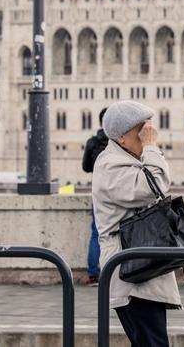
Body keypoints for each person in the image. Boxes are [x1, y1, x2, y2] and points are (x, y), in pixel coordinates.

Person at [92, 100, 180, 347]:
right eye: (141, 131)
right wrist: (152, 147)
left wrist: (149, 149)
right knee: (152, 344)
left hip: (143, 268)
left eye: (148, 131)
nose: (147, 136)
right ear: (121, 137)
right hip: (131, 273)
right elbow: (155, 186)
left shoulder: (129, 159)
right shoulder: (110, 166)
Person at [79, 107, 109, 286]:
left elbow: (85, 167)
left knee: (96, 234)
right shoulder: (120, 142)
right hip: (119, 191)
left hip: (99, 191)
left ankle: (93, 274)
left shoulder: (92, 142)